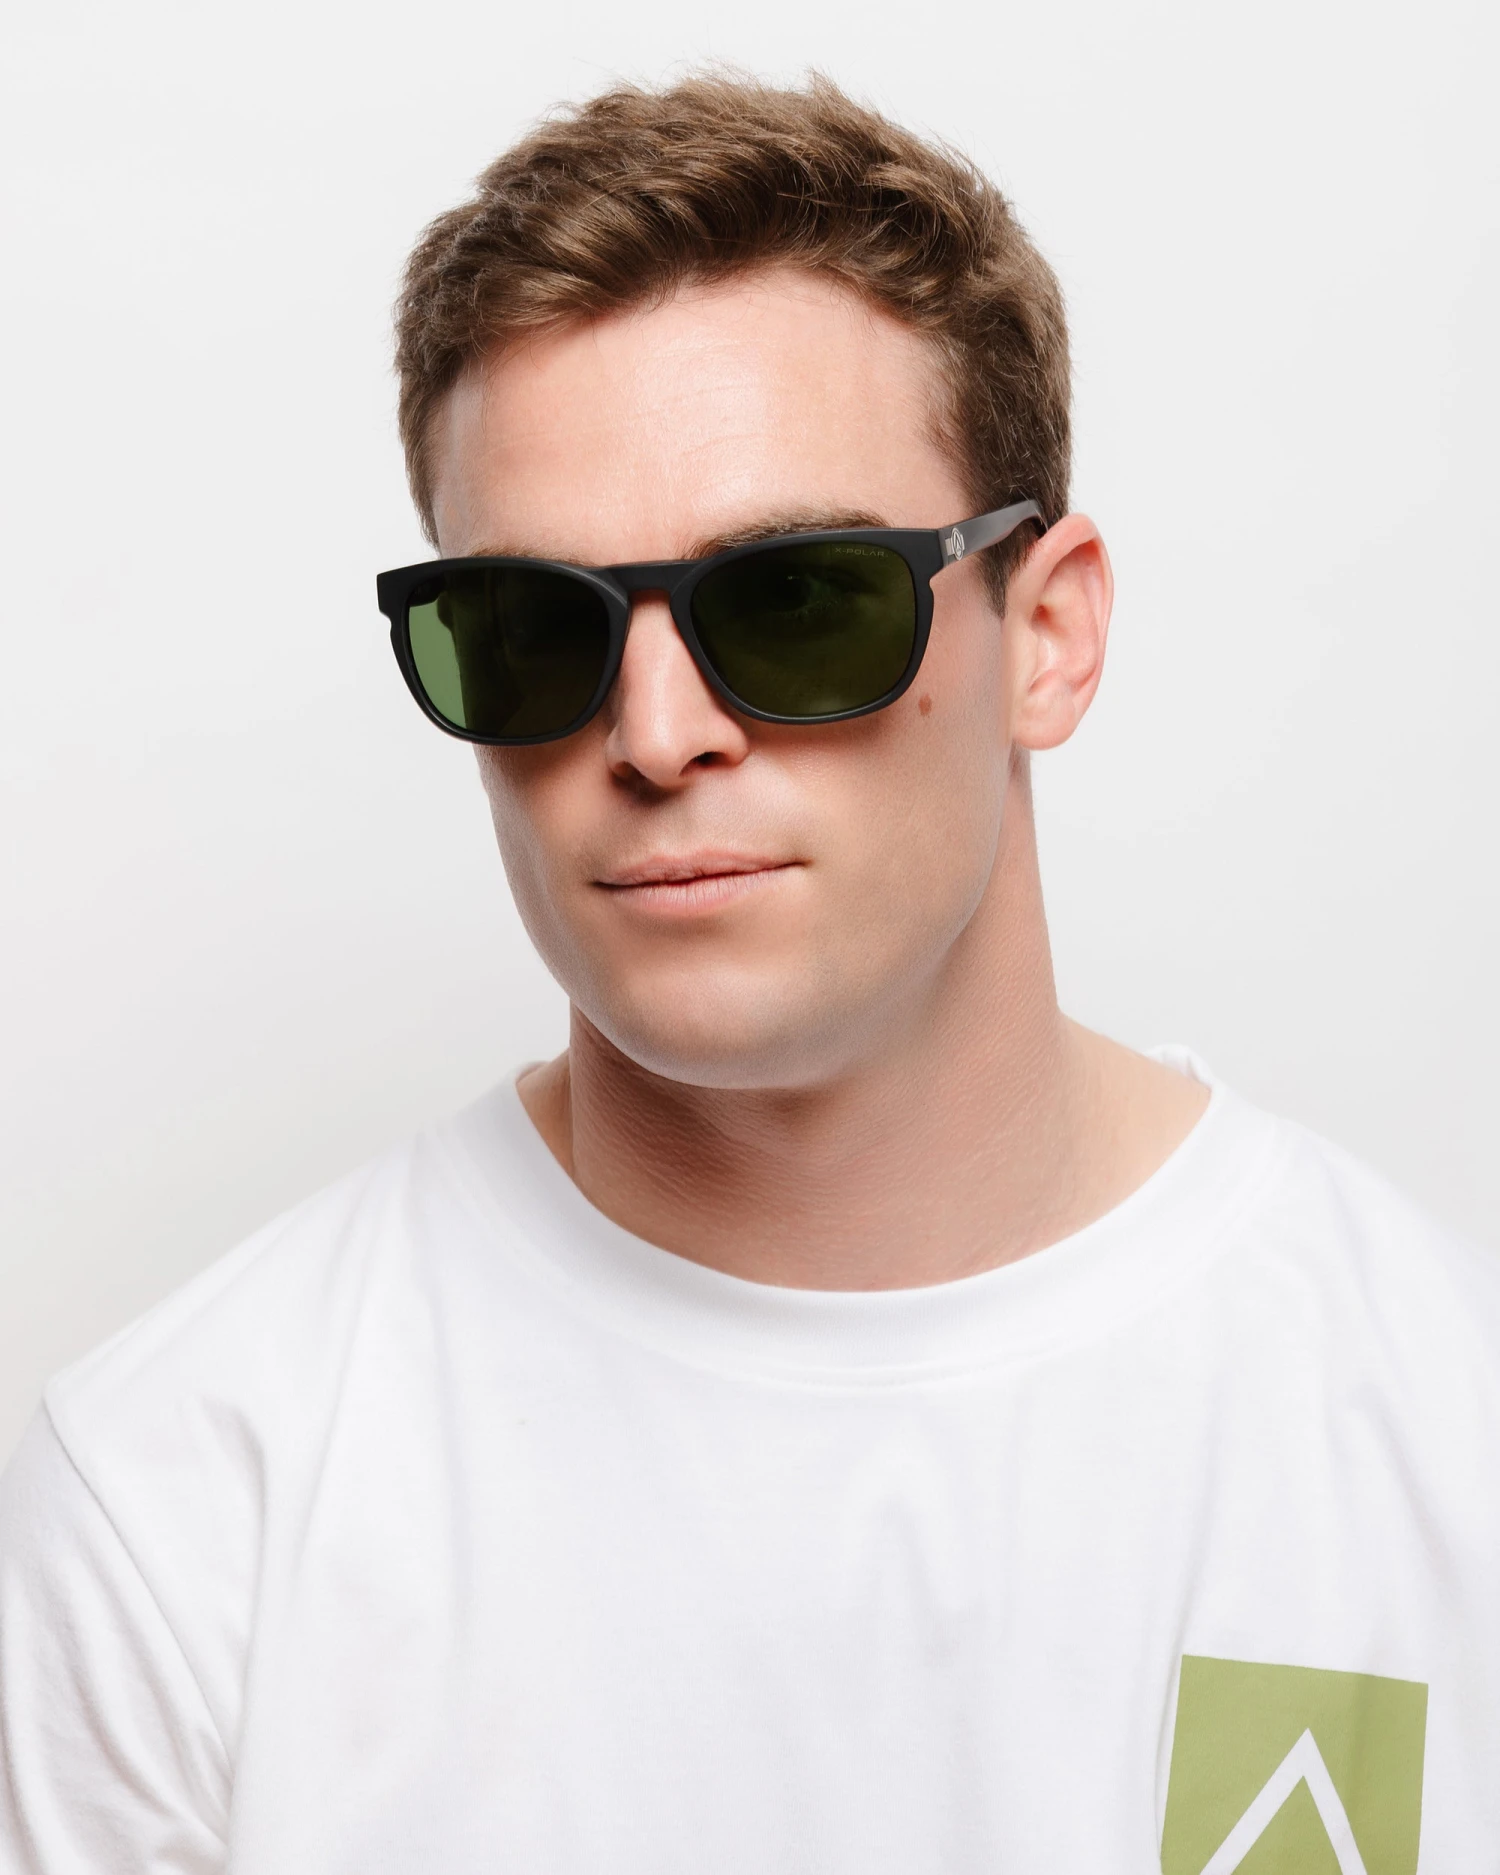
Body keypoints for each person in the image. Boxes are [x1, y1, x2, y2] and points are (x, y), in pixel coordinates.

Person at [0, 71, 1495, 1875]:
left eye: (796, 600)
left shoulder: (1439, 1433)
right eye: (532, 629)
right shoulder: (184, 1510)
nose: (654, 732)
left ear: (1048, 632)